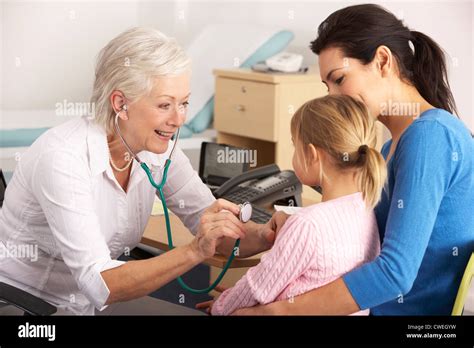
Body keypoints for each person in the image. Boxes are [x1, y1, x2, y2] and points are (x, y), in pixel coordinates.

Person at [0, 27, 273, 315]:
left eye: (184, 103)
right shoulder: (62, 158)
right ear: (121, 104)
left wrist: (268, 232)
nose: (179, 119)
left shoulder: (158, 150)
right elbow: (100, 284)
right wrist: (194, 250)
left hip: (87, 304)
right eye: (165, 105)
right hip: (24, 305)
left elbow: (214, 229)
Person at [233, 4, 474, 315]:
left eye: (340, 79)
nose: (333, 97)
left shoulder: (429, 137)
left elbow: (394, 273)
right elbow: (361, 235)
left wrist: (276, 311)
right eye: (327, 86)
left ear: (383, 61)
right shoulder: (392, 146)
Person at [208, 95, 385, 316]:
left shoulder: (308, 224)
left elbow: (257, 287)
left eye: (295, 145)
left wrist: (221, 305)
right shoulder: (365, 209)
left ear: (311, 155)